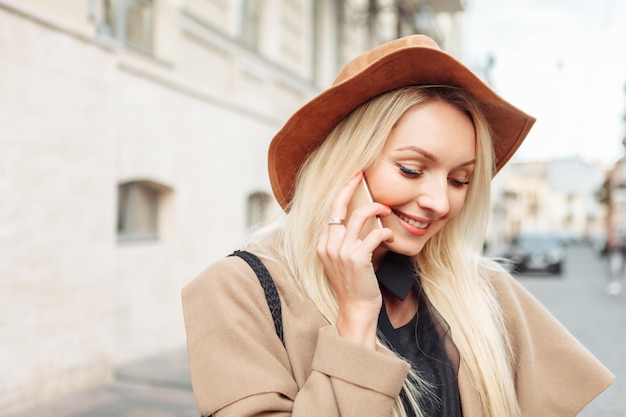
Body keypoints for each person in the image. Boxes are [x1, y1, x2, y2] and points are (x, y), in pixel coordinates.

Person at [182, 35, 614, 417]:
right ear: (344, 165)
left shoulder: (483, 288)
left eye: (460, 179)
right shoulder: (239, 291)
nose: (440, 202)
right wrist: (355, 320)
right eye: (410, 169)